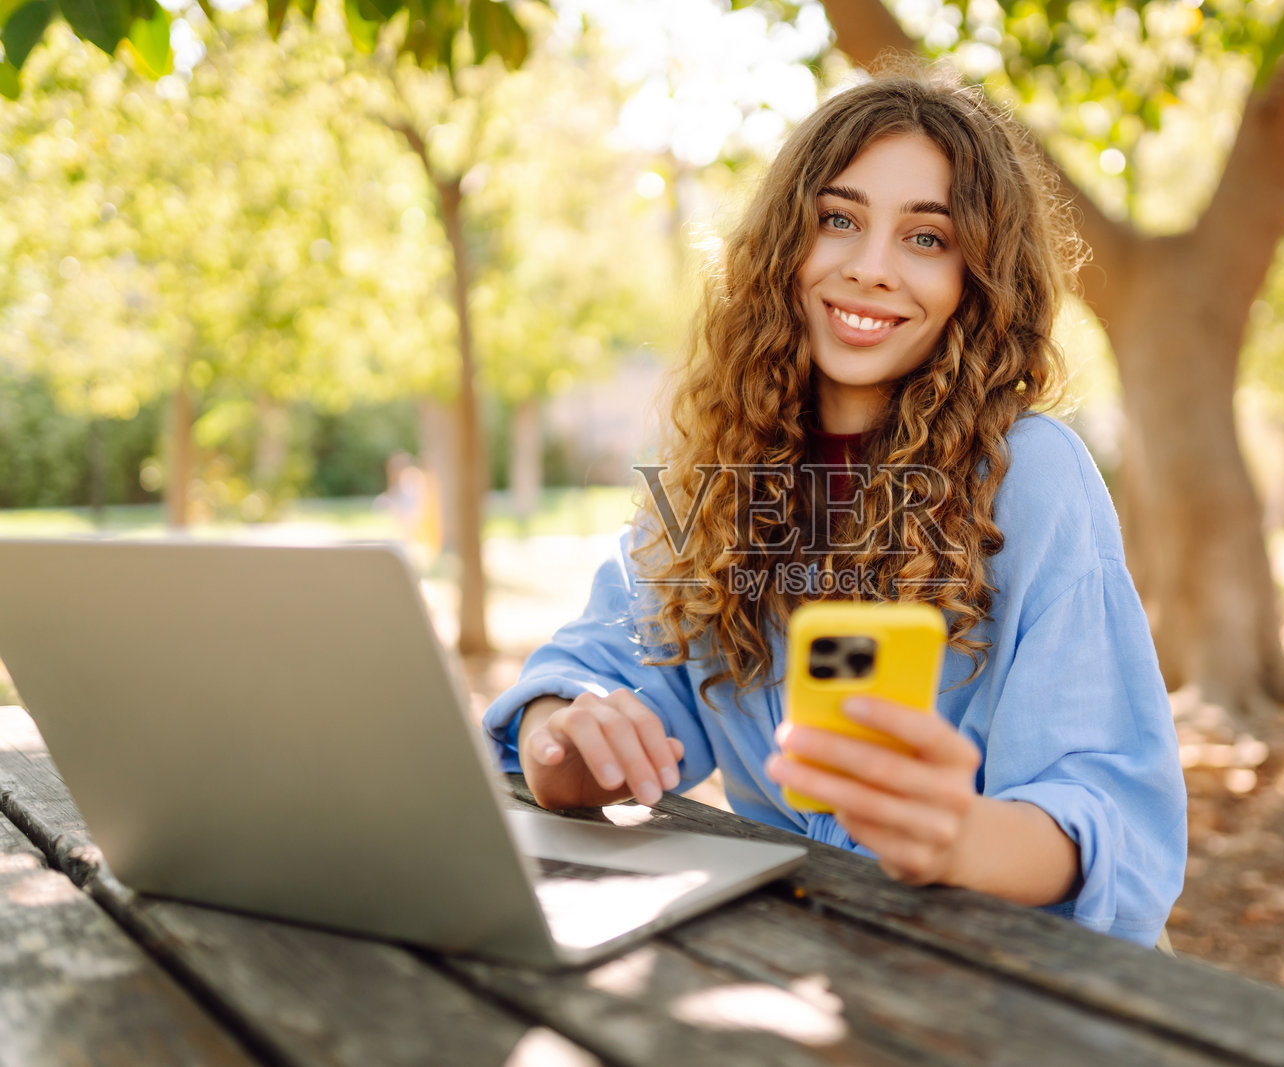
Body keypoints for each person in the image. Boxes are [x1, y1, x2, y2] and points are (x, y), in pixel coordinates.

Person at [482, 74, 1186, 947]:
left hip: (1002, 983)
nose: (871, 266)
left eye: (927, 237)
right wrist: (569, 732)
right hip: (804, 961)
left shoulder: (1033, 476)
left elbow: (1108, 814)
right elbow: (606, 673)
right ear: (786, 242)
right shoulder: (713, 467)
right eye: (839, 219)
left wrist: (957, 837)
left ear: (976, 279)